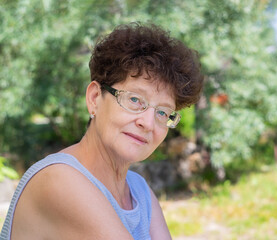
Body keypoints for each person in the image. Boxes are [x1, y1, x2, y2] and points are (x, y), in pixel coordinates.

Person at [1, 22, 203, 240]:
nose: (148, 122)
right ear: (95, 98)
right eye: (135, 99)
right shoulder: (59, 179)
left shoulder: (139, 190)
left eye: (163, 113)